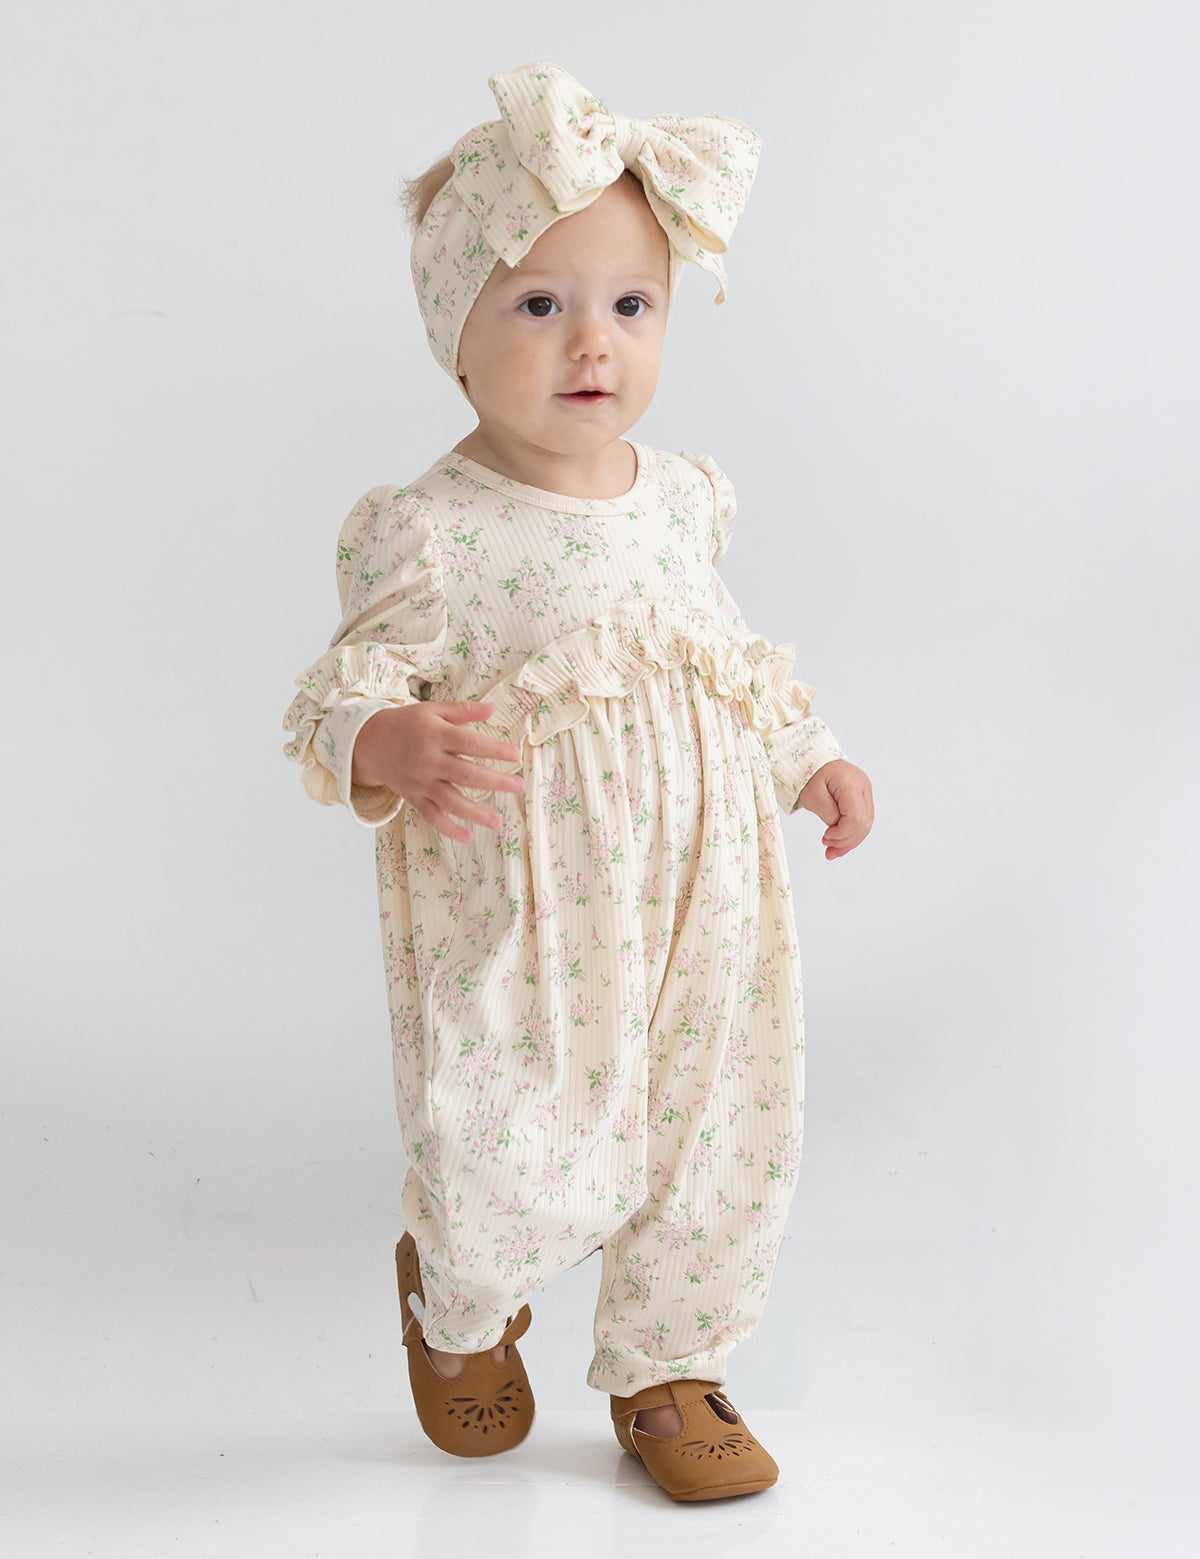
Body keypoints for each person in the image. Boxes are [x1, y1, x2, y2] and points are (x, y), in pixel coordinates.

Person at [281, 61, 874, 1501]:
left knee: (716, 1124)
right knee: (508, 1137)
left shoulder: (681, 499)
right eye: (539, 304)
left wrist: (809, 755)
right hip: (532, 914)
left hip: (711, 891)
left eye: (630, 304)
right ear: (458, 332)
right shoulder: (429, 529)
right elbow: (332, 696)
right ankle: (461, 1292)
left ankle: (672, 1369)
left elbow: (722, 656)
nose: (590, 343)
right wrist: (385, 743)